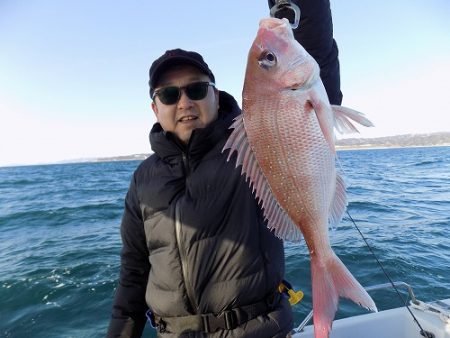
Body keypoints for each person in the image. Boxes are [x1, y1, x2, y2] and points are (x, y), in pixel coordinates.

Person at [107, 1, 342, 337]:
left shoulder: (253, 147)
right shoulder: (143, 179)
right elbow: (133, 272)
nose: (185, 102)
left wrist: (296, 8)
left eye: (197, 89)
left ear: (216, 95)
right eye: (170, 94)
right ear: (155, 107)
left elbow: (318, 73)